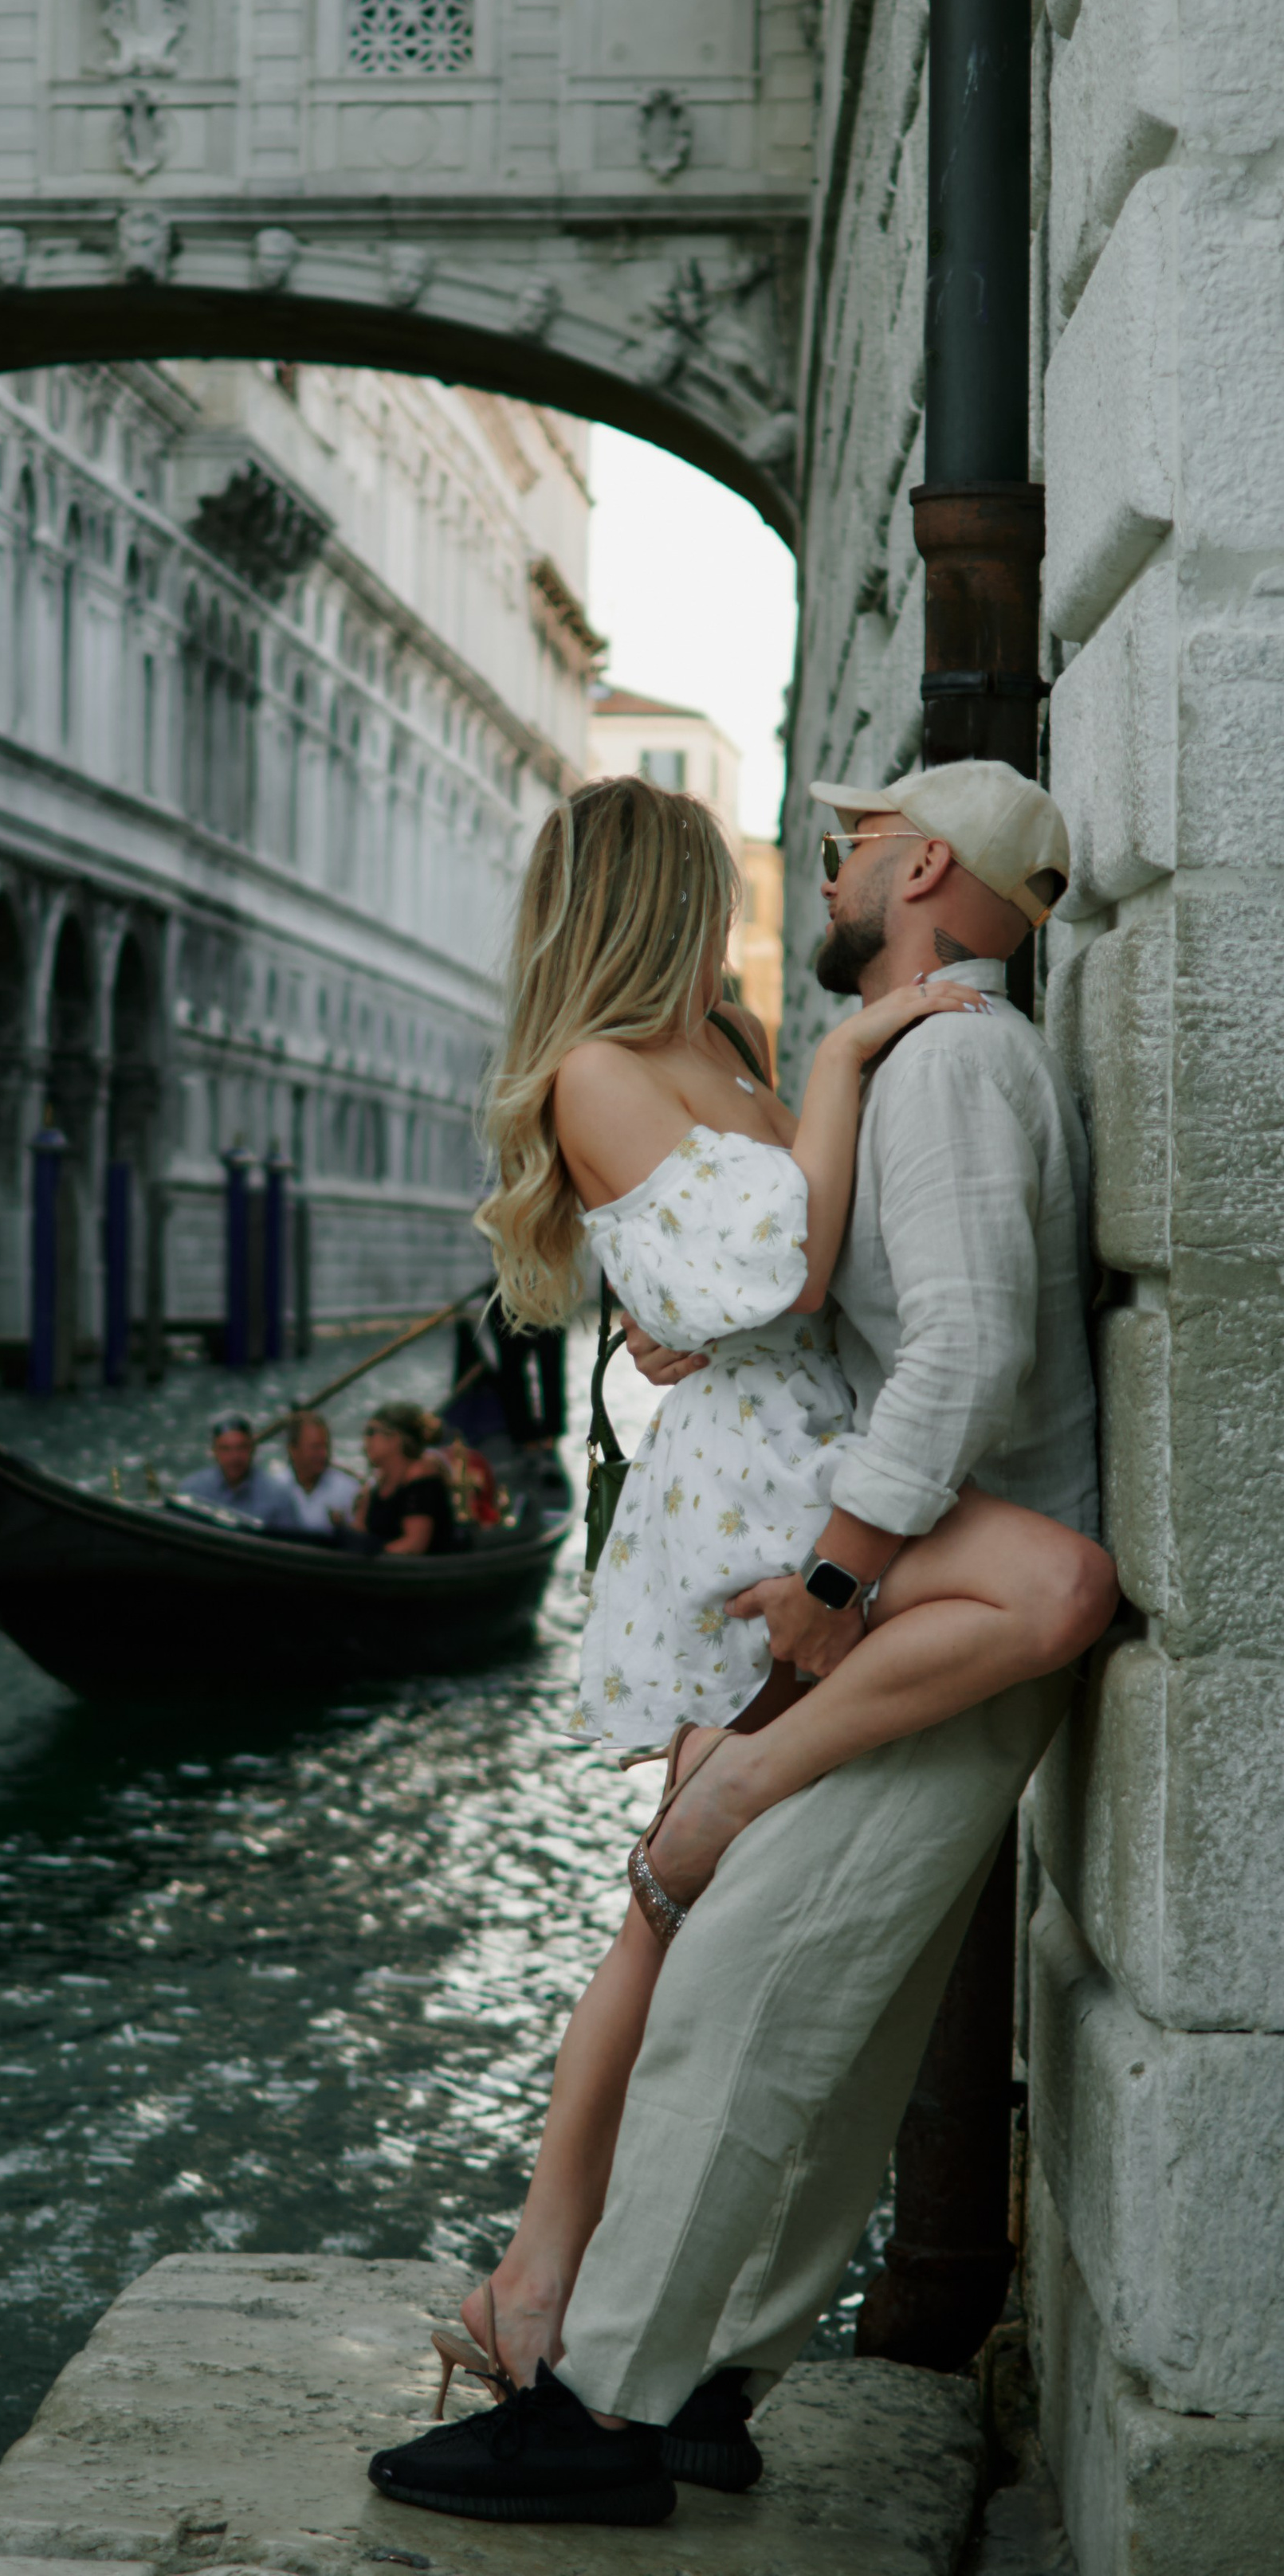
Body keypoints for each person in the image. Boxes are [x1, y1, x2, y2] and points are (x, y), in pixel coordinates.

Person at [367, 762, 1113, 2524]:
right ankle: (665, 2361)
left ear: (920, 867)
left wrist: (837, 1577)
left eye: (849, 844)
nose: (810, 869)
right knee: (763, 1978)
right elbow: (784, 1274)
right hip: (819, 1532)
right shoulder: (828, 1057)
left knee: (726, 1973)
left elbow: (923, 1336)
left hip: (866, 1552)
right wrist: (703, 1310)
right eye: (738, 872)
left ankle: (605, 2390)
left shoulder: (920, 1060)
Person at [352, 1400, 461, 1555]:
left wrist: (375, 1554)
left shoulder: (421, 1476)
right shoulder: (376, 1485)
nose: (366, 1441)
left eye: (371, 1432)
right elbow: (359, 1532)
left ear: (395, 1439)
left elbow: (414, 1544)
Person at [174, 1412, 299, 1527]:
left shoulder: (278, 1496)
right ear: (214, 1452)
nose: (234, 1457)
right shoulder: (192, 1490)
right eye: (226, 1449)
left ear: (252, 1449)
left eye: (241, 1448)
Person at [273, 1409, 362, 1538]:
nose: (323, 1454)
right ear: (293, 1450)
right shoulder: (275, 1489)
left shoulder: (349, 1490)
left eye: (325, 1447)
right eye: (315, 1447)